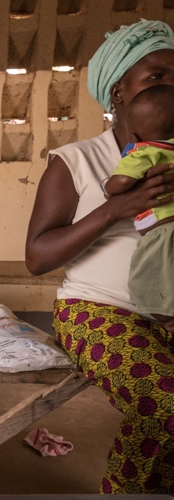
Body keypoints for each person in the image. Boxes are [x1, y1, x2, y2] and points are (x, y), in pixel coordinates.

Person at [26, 19, 174, 494]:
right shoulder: (76, 161)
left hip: (168, 313)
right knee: (164, 400)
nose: (170, 86)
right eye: (156, 76)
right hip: (96, 312)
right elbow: (37, 256)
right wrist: (114, 210)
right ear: (118, 92)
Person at [103, 84, 174, 331]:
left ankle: (166, 319)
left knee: (146, 280)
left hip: (160, 231)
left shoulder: (144, 152)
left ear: (134, 137)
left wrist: (110, 188)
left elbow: (122, 181)